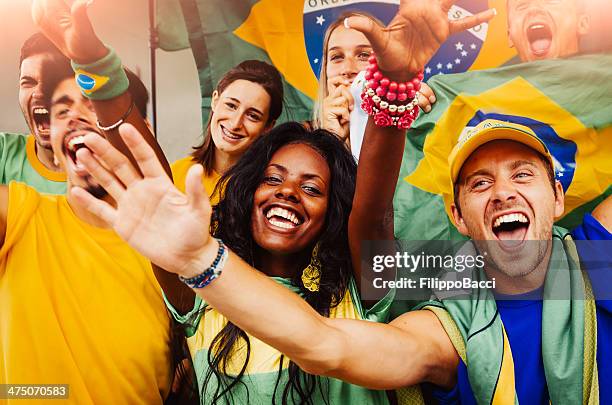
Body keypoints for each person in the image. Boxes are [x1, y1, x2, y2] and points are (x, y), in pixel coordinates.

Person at [71, 2, 609, 404]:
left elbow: (332, 326)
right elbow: (142, 164)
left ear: (559, 197)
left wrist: (393, 91)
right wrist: (93, 61)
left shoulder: (359, 293)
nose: (288, 193)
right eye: (274, 179)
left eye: (312, 189)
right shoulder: (208, 297)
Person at [0, 61, 174, 404]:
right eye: (63, 108)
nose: (75, 116)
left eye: (96, 106)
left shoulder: (170, 253)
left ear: (142, 132)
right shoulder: (20, 216)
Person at [312, 12, 436, 155]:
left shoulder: (415, 115)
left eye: (364, 55)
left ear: (388, 62)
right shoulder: (301, 141)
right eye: (337, 57)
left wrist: (405, 115)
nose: (347, 69)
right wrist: (331, 141)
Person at [171, 60, 284, 204]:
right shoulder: (174, 174)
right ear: (215, 100)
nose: (235, 123)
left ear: (268, 126)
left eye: (253, 116)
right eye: (231, 105)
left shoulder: (268, 191)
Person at [0, 32, 71, 194]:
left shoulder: (101, 172)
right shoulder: (3, 151)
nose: (39, 93)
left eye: (51, 82)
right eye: (28, 82)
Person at [506, 0, 590, 62]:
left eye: (550, 1)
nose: (534, 9)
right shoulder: (496, 85)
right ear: (510, 37)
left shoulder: (601, 83)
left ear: (582, 24)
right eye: (522, 6)